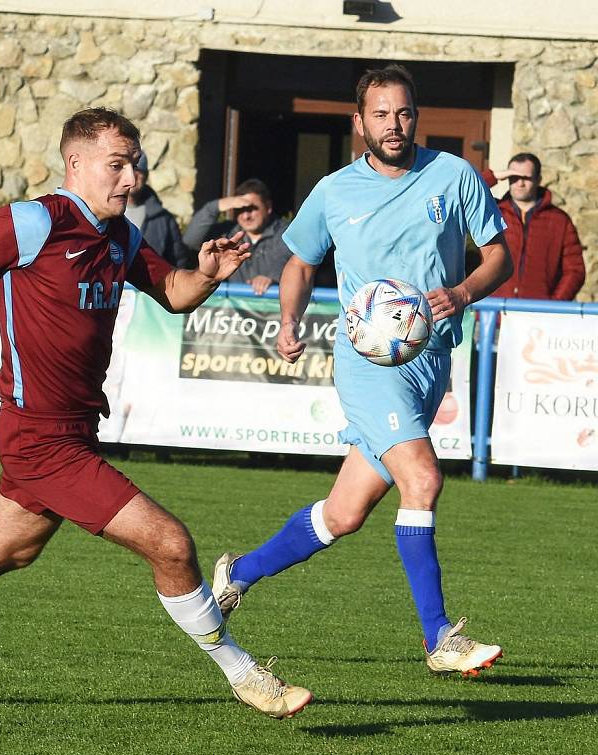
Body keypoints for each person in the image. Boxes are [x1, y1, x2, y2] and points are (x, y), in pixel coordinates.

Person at [0, 108, 312, 719]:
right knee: (171, 544)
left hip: (75, 431)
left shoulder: (118, 236)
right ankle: (245, 673)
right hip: (38, 437)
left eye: (135, 165)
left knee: (9, 547)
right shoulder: (34, 220)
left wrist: (207, 273)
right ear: (75, 164)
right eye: (116, 165)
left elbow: (173, 293)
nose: (131, 179)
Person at [212, 64, 513, 677]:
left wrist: (461, 293)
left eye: (403, 113)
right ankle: (439, 639)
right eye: (381, 114)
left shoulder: (453, 176)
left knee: (344, 514)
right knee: (422, 480)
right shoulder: (334, 190)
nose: (393, 125)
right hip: (368, 365)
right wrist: (289, 321)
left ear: (415, 117)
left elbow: (499, 257)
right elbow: (298, 263)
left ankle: (237, 574)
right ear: (359, 122)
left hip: (430, 362)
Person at [483, 153, 585, 300]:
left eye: (526, 178)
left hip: (538, 315)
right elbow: (463, 192)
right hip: (493, 312)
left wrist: (553, 306)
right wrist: (495, 176)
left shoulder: (559, 220)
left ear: (539, 180)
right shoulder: (493, 211)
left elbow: (575, 271)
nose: (520, 183)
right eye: (514, 177)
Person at [184, 179, 292, 295]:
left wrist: (272, 278)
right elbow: (190, 241)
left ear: (268, 207)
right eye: (240, 209)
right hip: (230, 311)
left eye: (252, 209)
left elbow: (287, 258)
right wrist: (215, 207)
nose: (246, 216)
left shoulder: (286, 232)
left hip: (273, 309)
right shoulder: (227, 233)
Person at [125, 150, 189, 268]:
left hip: (148, 286)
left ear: (146, 176)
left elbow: (178, 263)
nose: (133, 175)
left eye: (139, 170)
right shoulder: (102, 212)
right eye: (130, 170)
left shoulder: (164, 220)